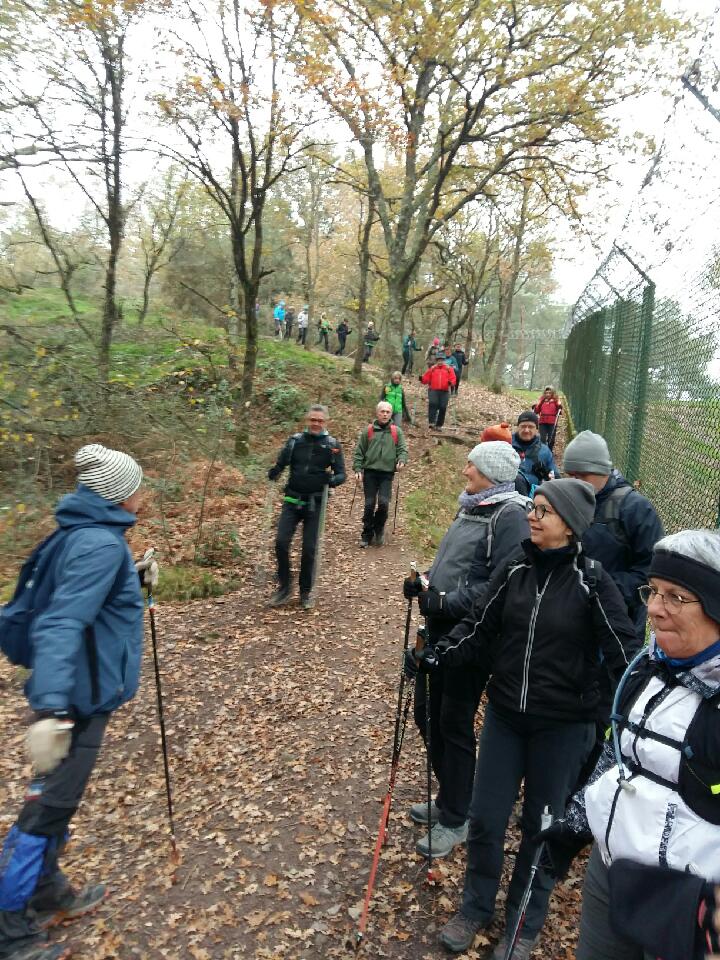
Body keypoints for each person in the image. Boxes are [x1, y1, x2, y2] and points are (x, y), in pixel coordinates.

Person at [407, 479, 637, 957]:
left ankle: (522, 924)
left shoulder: (593, 582)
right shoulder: (514, 568)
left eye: (544, 511)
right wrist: (440, 656)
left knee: (541, 828)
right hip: (506, 716)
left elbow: (624, 654)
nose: (533, 517)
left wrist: (617, 716)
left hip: (564, 727)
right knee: (487, 819)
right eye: (533, 508)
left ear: (570, 525)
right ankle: (475, 907)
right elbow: (480, 627)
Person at [0, 444, 158, 960]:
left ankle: (47, 892)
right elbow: (61, 621)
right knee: (45, 813)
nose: (143, 494)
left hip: (80, 693)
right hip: (75, 702)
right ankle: (10, 932)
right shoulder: (98, 545)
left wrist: (132, 584)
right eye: (136, 485)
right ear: (117, 494)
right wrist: (52, 710)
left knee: (56, 806)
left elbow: (80, 605)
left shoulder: (88, 535)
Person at [537, 529, 720, 960]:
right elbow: (616, 757)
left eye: (676, 597)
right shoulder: (647, 670)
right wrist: (576, 825)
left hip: (690, 899)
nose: (654, 610)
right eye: (653, 592)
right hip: (611, 873)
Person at [403, 442, 530, 858]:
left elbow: (498, 584)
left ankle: (458, 817)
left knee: (452, 722)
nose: (464, 471)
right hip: (441, 627)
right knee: (427, 714)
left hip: (471, 635)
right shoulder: (472, 506)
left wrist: (445, 602)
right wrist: (423, 581)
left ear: (490, 471)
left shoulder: (509, 516)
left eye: (471, 465)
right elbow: (453, 566)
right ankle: (450, 798)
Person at [563, 430, 664, 642]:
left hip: (618, 619)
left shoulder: (634, 508)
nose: (574, 482)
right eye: (570, 476)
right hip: (571, 614)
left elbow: (652, 569)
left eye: (581, 476)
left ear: (602, 471)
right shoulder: (568, 501)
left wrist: (605, 588)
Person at [267, 405, 345, 609]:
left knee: (309, 549)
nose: (316, 424)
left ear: (326, 422)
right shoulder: (295, 442)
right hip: (292, 500)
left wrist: (332, 480)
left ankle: (305, 591)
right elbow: (282, 463)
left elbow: (341, 473)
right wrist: (274, 472)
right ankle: (284, 586)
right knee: (281, 543)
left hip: (315, 503)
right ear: (307, 420)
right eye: (313, 419)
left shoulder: (332, 445)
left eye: (320, 420)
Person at [353, 401, 408, 548]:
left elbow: (403, 449)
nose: (385, 414)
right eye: (382, 411)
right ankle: (366, 533)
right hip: (370, 472)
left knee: (383, 503)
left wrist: (402, 460)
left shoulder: (396, 432)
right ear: (377, 413)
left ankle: (379, 528)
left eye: (387, 412)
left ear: (391, 414)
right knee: (369, 504)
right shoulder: (369, 431)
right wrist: (358, 469)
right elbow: (359, 451)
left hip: (387, 474)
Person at [512, 411, 556, 495]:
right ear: (518, 427)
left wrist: (551, 478)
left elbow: (555, 475)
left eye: (531, 427)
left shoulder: (544, 451)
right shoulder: (506, 446)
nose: (526, 430)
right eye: (523, 426)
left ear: (537, 429)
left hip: (534, 497)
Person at [421, 356, 456, 430]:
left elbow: (453, 378)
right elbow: (426, 378)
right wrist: (422, 379)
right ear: (436, 361)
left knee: (443, 407)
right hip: (433, 390)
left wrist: (451, 383)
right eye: (438, 360)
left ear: (444, 361)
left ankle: (439, 425)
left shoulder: (448, 369)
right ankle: (431, 422)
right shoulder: (433, 368)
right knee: (433, 404)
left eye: (441, 360)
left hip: (445, 391)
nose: (440, 362)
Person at [532, 386, 562, 451]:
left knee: (551, 439)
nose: (548, 394)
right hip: (542, 422)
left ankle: (549, 451)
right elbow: (537, 410)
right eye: (546, 393)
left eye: (549, 393)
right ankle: (543, 451)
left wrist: (560, 407)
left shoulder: (556, 400)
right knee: (542, 438)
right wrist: (535, 407)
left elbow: (559, 409)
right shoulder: (542, 400)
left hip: (552, 422)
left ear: (552, 393)